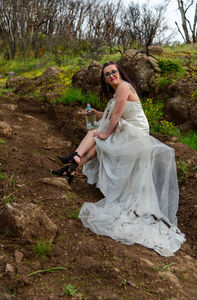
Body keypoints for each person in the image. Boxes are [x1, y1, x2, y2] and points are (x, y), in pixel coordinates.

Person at [51, 61, 185, 257]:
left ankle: (75, 158)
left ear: (119, 73)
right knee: (98, 137)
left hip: (137, 133)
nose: (112, 75)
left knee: (97, 134)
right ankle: (73, 165)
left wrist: (105, 134)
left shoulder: (124, 86)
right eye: (107, 74)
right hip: (127, 129)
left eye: (114, 71)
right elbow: (109, 114)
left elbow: (117, 114)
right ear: (104, 79)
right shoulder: (116, 93)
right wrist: (96, 113)